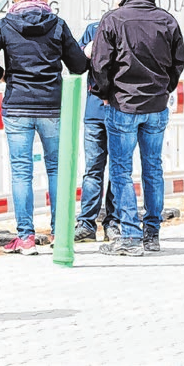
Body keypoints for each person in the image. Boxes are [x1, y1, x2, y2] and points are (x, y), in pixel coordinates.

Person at [0, 0, 88, 256]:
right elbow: (78, 65)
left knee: (22, 172)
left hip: (18, 106)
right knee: (57, 168)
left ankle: (25, 238)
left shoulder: (5, 24)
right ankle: (60, 232)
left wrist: (2, 75)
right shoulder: (57, 25)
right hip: (51, 106)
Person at [91, 0, 184, 256]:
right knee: (153, 168)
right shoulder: (167, 20)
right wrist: (164, 89)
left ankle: (130, 236)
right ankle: (152, 234)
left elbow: (100, 63)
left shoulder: (113, 19)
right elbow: (177, 63)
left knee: (121, 170)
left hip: (123, 104)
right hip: (156, 105)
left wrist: (104, 93)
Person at [74, 22, 119, 243]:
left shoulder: (129, 26)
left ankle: (113, 222)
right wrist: (88, 49)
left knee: (118, 171)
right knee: (93, 169)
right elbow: (78, 64)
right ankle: (86, 223)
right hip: (95, 112)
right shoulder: (94, 29)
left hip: (121, 110)